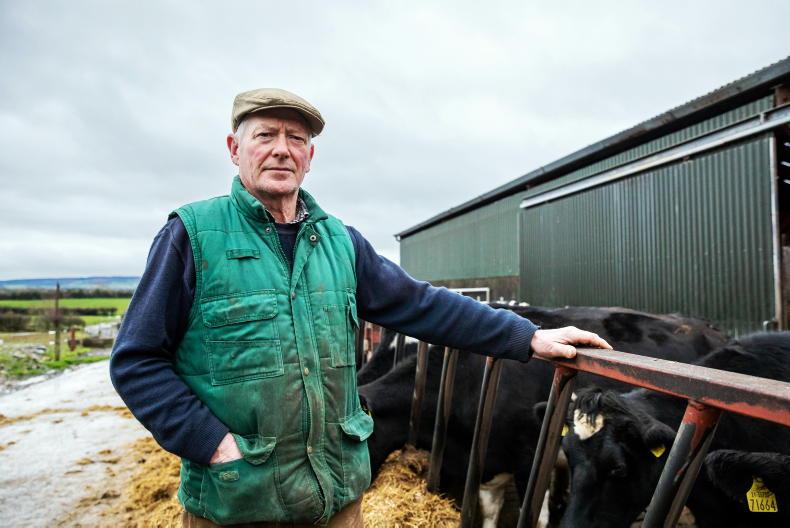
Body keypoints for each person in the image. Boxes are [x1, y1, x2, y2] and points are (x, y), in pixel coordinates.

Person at [110, 88, 612, 527]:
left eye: (296, 138)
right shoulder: (191, 236)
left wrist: (527, 336)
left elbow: (422, 304)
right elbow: (136, 361)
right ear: (233, 148)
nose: (282, 149)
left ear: (310, 156)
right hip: (236, 501)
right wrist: (211, 444)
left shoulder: (340, 243)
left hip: (336, 500)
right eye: (265, 135)